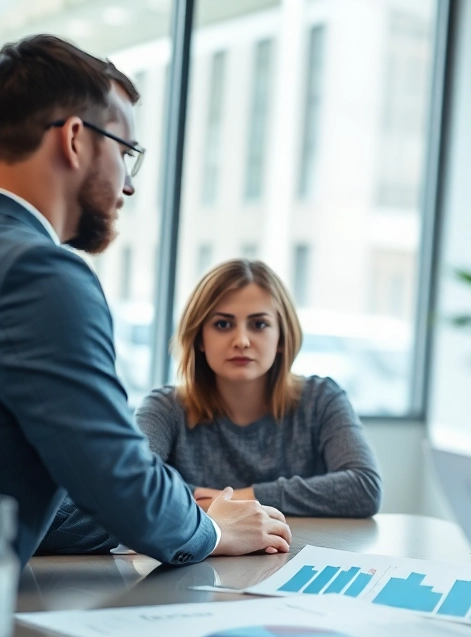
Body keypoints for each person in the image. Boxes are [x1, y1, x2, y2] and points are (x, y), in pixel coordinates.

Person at [0, 34, 291, 565]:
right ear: (75, 140)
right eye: (126, 152)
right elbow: (116, 477)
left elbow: (38, 491)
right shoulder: (39, 272)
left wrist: (172, 513)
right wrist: (206, 528)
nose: (128, 186)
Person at [41, 260, 382, 554]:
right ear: (200, 338)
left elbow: (364, 487)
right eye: (223, 324)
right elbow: (130, 488)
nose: (242, 340)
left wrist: (235, 501)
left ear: (282, 337)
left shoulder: (321, 399)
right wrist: (216, 510)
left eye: (259, 324)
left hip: (291, 559)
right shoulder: (165, 407)